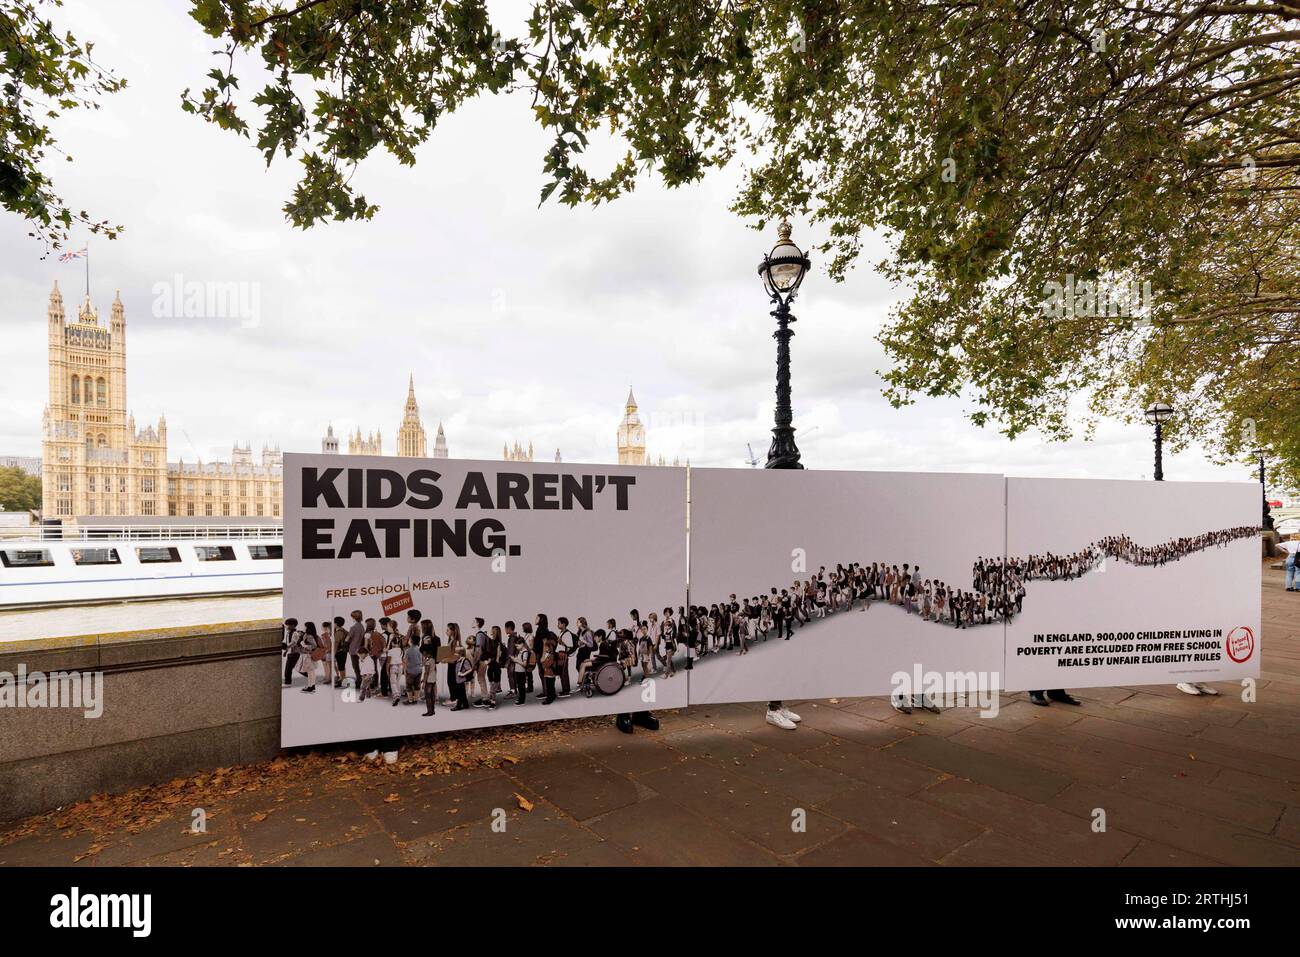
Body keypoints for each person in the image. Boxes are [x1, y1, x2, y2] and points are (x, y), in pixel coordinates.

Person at [282, 617, 301, 686]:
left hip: (295, 653)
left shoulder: (295, 633)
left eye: (287, 625)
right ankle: (310, 675)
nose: (286, 626)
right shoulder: (288, 633)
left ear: (292, 625)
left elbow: (293, 642)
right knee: (295, 668)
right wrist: (285, 651)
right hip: (291, 653)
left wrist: (286, 647)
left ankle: (287, 683)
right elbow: (288, 643)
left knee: (288, 669)